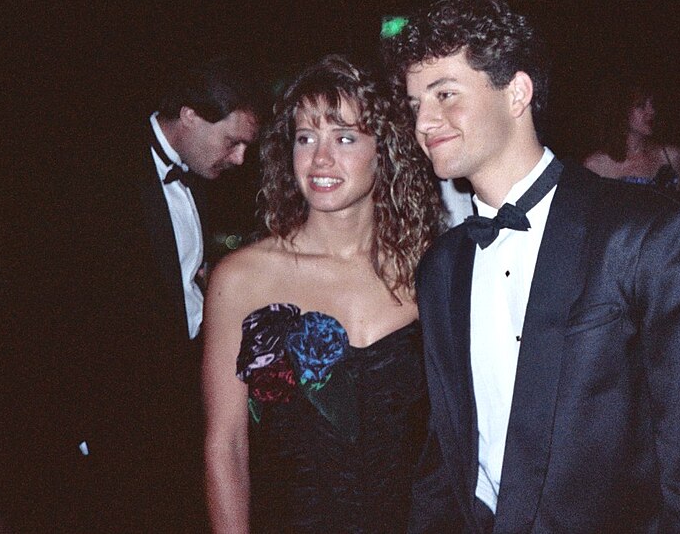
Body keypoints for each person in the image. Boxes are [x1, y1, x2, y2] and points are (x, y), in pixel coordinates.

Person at [383, 0, 680, 533]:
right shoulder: (442, 268)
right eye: (415, 102)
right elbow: (444, 458)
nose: (424, 121)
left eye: (445, 94)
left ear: (516, 92)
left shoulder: (653, 234)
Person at [203, 54, 443, 534]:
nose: (320, 159)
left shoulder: (433, 272)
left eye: (345, 138)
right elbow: (224, 445)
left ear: (385, 150)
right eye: (305, 138)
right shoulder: (243, 278)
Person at [59, 57, 262, 532]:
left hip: (186, 388)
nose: (239, 159)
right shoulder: (99, 176)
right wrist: (82, 429)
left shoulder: (200, 171)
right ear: (189, 115)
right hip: (124, 411)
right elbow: (67, 312)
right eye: (232, 141)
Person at [582, 83, 680, 190]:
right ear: (622, 111)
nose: (651, 111)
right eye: (641, 105)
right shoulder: (596, 165)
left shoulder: (670, 157)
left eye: (652, 104)